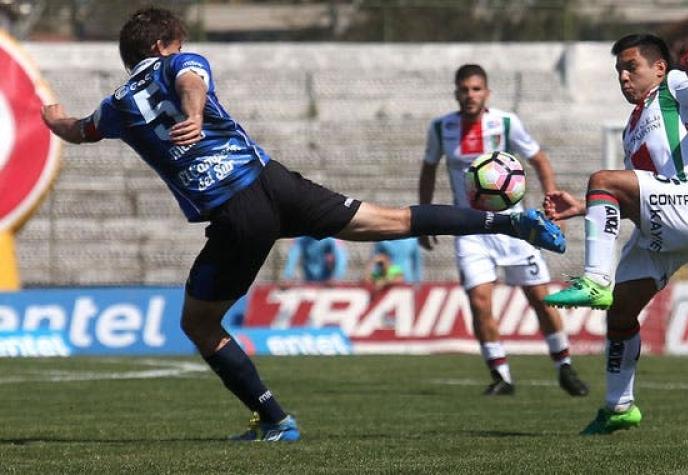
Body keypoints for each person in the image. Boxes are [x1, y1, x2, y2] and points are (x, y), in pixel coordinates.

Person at [40, 8, 566, 442]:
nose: (182, 51)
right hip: (274, 184)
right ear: (161, 46)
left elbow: (78, 129)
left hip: (237, 214)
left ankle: (274, 419)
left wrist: (51, 116)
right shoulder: (179, 64)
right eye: (177, 44)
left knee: (198, 325)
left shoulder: (114, 108)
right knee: (391, 219)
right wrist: (194, 110)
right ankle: (509, 221)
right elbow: (188, 78)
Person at [542, 34, 688, 434]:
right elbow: (640, 195)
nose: (623, 77)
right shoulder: (632, 129)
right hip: (665, 226)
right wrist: (583, 208)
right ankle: (619, 407)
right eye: (618, 70)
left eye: (631, 67)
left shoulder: (675, 85)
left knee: (603, 178)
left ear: (659, 68)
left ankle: (596, 279)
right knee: (622, 314)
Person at [419, 64, 588, 397]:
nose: (470, 95)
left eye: (476, 89)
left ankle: (564, 365)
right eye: (464, 89)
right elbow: (428, 170)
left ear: (487, 92)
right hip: (469, 229)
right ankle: (501, 376)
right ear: (456, 93)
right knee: (480, 302)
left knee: (542, 299)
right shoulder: (441, 128)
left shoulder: (506, 122)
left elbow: (539, 159)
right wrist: (425, 217)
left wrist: (551, 203)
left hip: (514, 226)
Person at [282, 236, 348, 284]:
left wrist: (336, 277)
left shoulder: (330, 239)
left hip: (328, 282)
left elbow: (341, 257)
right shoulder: (301, 240)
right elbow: (293, 257)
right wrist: (288, 277)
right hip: (310, 281)